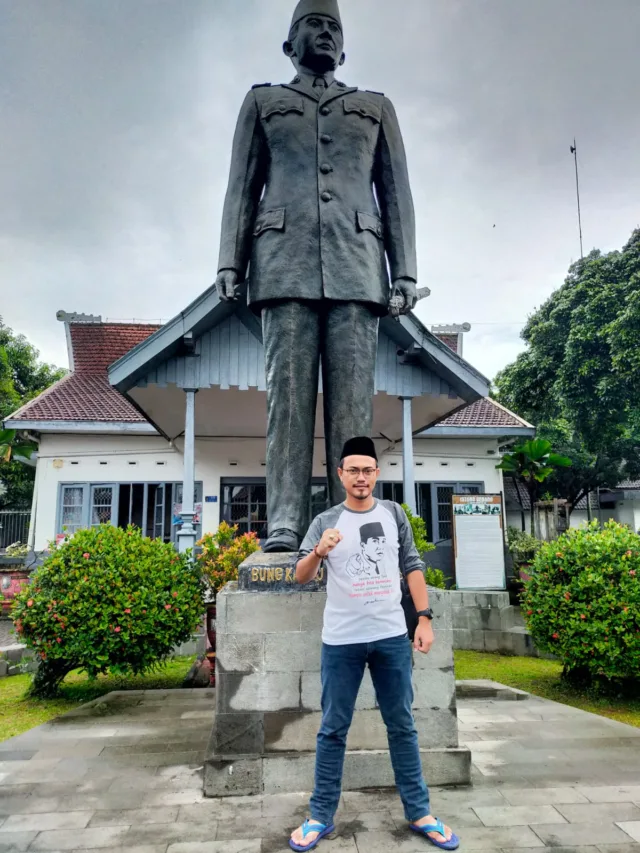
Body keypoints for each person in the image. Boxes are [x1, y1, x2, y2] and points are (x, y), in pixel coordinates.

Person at [215, 0, 419, 553]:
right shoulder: (264, 101)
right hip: (283, 263)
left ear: (344, 48)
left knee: (354, 406)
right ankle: (284, 522)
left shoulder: (375, 107)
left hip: (357, 266)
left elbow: (395, 193)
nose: (324, 34)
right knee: (288, 401)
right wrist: (230, 262)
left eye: (333, 28)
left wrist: (405, 272)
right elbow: (242, 186)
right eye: (313, 25)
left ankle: (349, 518)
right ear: (289, 43)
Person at [289, 436, 459, 852]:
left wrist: (423, 618)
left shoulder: (393, 513)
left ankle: (419, 811)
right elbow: (300, 576)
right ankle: (320, 816)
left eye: (368, 470)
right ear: (341, 474)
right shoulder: (326, 521)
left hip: (390, 638)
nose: (361, 477)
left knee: (402, 725)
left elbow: (412, 566)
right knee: (333, 729)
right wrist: (318, 551)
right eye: (354, 470)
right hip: (342, 641)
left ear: (376, 475)